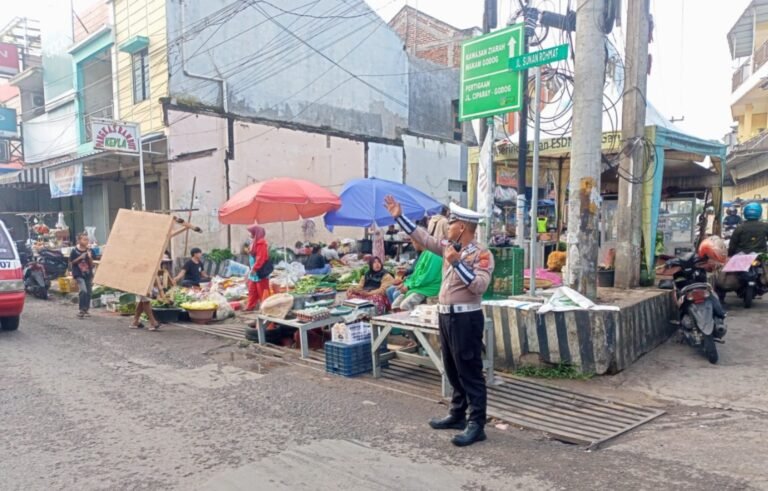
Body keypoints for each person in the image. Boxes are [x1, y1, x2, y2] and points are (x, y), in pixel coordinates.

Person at [385, 196, 494, 447]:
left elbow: (479, 286)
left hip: (466, 317)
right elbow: (425, 238)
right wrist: (398, 217)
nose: (448, 226)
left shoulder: (481, 254)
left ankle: (477, 424)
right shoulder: (448, 247)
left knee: (470, 371)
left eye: (452, 222)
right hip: (445, 314)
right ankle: (457, 414)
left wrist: (457, 263)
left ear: (462, 227)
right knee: (452, 368)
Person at [391, 242, 442, 311]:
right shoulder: (425, 253)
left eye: (413, 241)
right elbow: (416, 273)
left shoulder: (435, 254)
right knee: (395, 305)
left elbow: (426, 278)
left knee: (405, 306)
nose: (413, 244)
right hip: (418, 287)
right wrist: (406, 284)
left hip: (428, 288)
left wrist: (408, 286)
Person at [246, 225, 272, 311]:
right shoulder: (254, 243)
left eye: (251, 232)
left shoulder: (261, 243)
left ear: (256, 233)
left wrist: (255, 268)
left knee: (263, 292)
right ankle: (250, 307)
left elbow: (260, 258)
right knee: (252, 290)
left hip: (260, 271)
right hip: (254, 272)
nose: (249, 234)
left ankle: (266, 309)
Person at [70, 232, 94, 318]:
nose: (86, 241)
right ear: (79, 240)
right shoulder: (74, 251)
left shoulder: (89, 250)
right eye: (84, 239)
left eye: (87, 239)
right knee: (83, 290)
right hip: (78, 273)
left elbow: (91, 265)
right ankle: (81, 310)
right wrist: (80, 257)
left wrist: (90, 257)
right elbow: (71, 262)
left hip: (88, 274)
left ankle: (86, 309)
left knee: (89, 292)